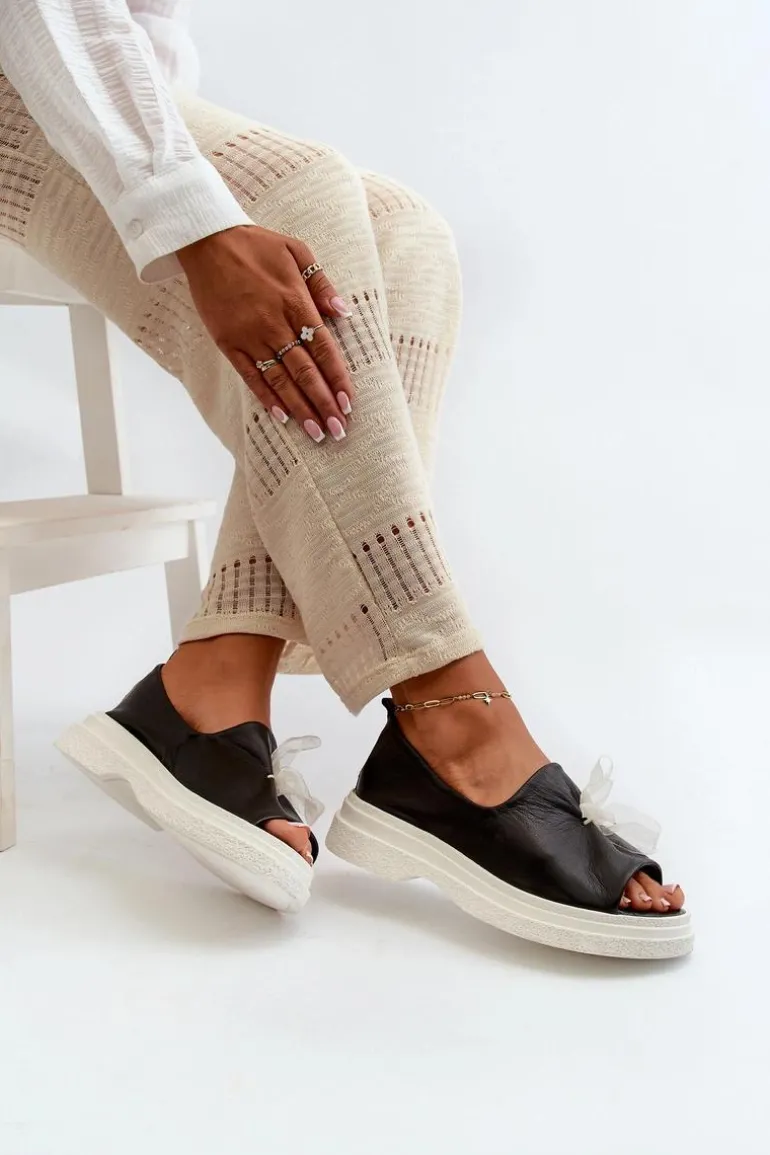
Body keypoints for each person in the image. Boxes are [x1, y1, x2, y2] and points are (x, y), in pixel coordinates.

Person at [0, 0, 691, 959]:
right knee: (303, 197)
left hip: (69, 72)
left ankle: (214, 682)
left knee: (410, 238)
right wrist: (194, 221)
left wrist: (176, 143)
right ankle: (450, 711)